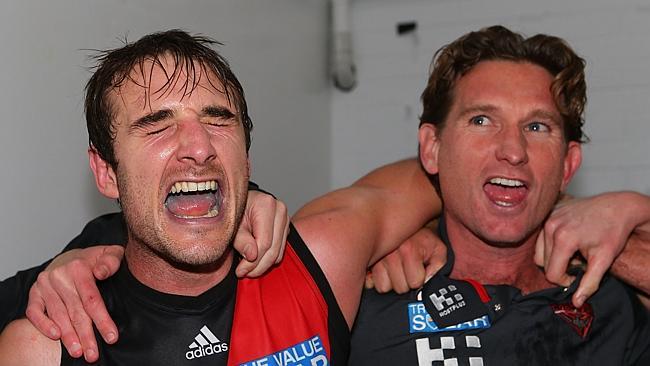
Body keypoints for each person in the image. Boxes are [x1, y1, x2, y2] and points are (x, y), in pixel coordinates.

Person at [0, 29, 438, 365]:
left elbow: (454, 174)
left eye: (218, 120)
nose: (199, 146)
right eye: (157, 125)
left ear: (246, 161)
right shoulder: (45, 348)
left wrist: (426, 231)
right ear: (107, 172)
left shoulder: (318, 262)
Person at [349, 25, 650, 365]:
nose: (513, 150)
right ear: (432, 149)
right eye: (481, 120)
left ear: (568, 164)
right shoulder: (367, 302)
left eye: (537, 127)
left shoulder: (611, 305)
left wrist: (636, 209)